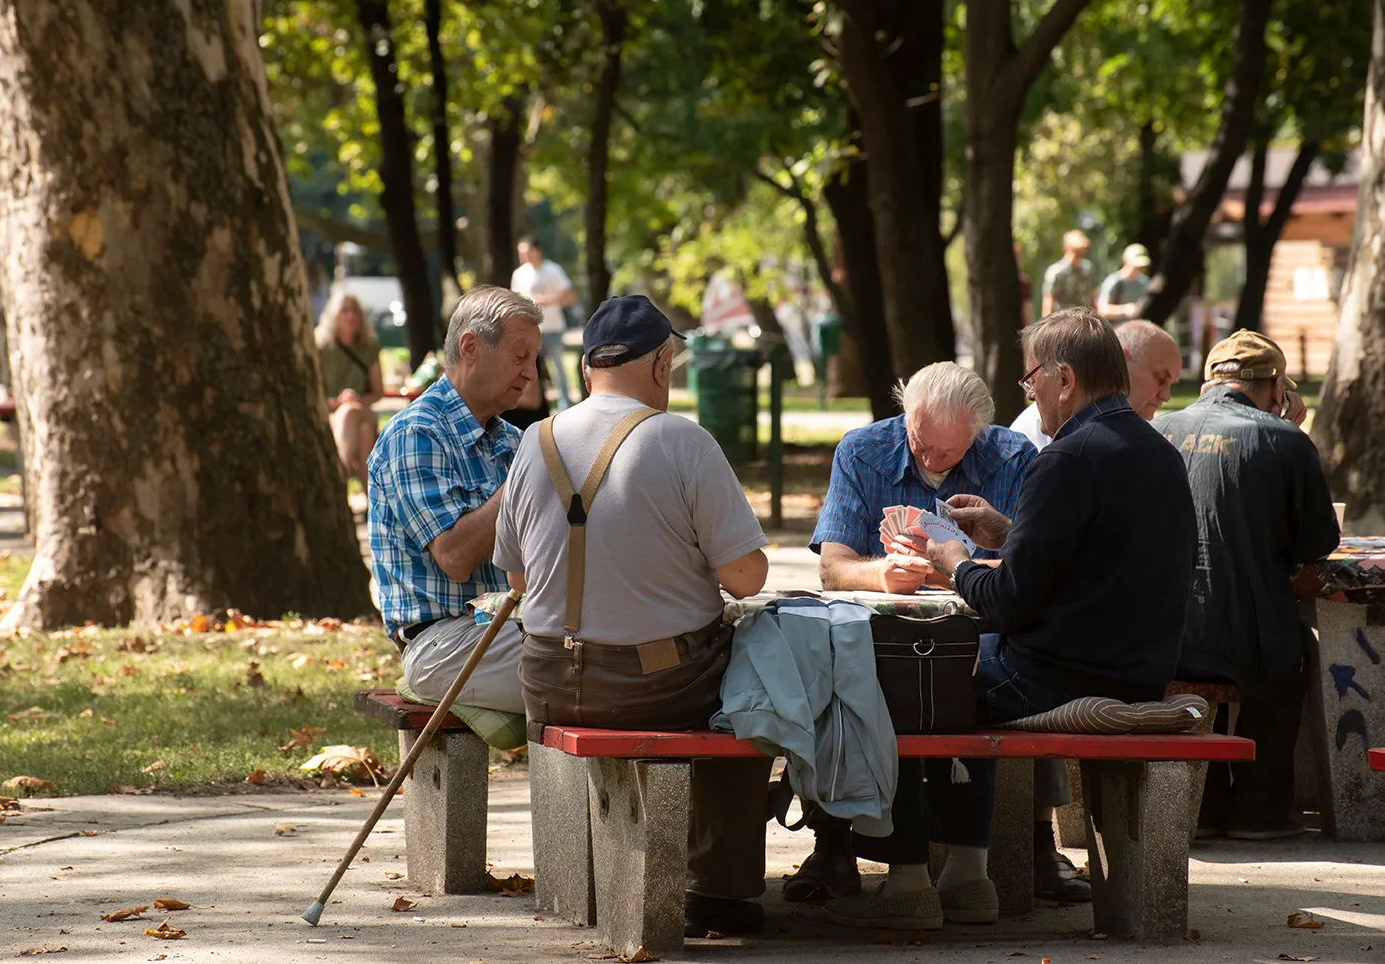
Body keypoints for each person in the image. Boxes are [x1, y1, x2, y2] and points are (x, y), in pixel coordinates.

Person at [493, 294, 772, 937]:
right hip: (659, 684)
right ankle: (720, 890)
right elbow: (748, 577)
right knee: (757, 687)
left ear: (589, 367)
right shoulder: (681, 439)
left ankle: (577, 877)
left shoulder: (534, 442)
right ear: (661, 362)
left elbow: (516, 578)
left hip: (549, 682)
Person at [915, 309, 1197, 928]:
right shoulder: (1157, 453)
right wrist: (1006, 531)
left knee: (912, 682)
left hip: (1057, 678)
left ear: (1063, 378)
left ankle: (926, 875)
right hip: (1140, 672)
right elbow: (1097, 563)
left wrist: (956, 561)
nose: (1030, 391)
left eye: (1031, 379)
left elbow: (1007, 602)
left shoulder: (1066, 458)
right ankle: (963, 865)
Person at [803, 362, 1040, 927]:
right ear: (904, 414)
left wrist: (960, 569)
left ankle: (964, 871)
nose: (933, 461)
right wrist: (882, 575)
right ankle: (910, 873)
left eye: (951, 453)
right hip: (883, 634)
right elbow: (834, 570)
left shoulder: (1013, 456)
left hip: (978, 635)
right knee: (893, 679)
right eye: (922, 444)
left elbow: (1031, 572)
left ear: (978, 435)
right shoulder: (863, 450)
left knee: (962, 678)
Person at [1153, 330, 1339, 839]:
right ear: (1278, 387)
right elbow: (1317, 542)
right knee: (1289, 662)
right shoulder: (1284, 439)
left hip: (1160, 637)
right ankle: (1258, 812)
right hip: (1250, 639)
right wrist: (1289, 437)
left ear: (1211, 380)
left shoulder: (1159, 428)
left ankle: (1205, 810)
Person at [367, 285, 543, 716]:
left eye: (534, 360)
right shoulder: (417, 434)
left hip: (505, 629)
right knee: (588, 671)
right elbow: (454, 555)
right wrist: (528, 475)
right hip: (440, 643)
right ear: (470, 347)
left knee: (603, 649)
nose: (531, 374)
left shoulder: (512, 440)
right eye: (520, 357)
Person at [1010, 320, 1182, 449]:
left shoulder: (1153, 443)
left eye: (1172, 384)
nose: (1166, 396)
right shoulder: (1045, 423)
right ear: (1121, 360)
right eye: (1160, 378)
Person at [315, 290, 384, 489]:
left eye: (354, 311)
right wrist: (337, 402)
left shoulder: (368, 347)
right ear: (334, 315)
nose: (350, 316)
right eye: (344, 311)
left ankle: (340, 474)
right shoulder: (320, 347)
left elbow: (378, 392)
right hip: (331, 413)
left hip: (362, 409)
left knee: (350, 412)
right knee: (363, 433)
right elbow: (314, 391)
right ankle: (371, 501)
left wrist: (355, 400)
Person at [511, 236, 577, 409]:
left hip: (553, 327)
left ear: (536, 250)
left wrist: (546, 300)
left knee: (559, 371)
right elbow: (515, 301)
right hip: (531, 331)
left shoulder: (553, 270)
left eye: (525, 252)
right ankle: (540, 407)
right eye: (520, 253)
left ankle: (565, 407)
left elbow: (569, 296)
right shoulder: (519, 274)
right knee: (532, 373)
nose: (523, 256)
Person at [1040, 230, 1098, 317]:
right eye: (1076, 251)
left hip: (1083, 319)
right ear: (1066, 248)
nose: (1079, 256)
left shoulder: (1087, 269)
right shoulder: (1056, 272)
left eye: (1081, 252)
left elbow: (1092, 299)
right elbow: (1048, 304)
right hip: (1062, 321)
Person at [1095, 243, 1153, 322]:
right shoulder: (1114, 281)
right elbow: (1102, 310)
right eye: (1136, 265)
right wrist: (1124, 310)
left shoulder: (1145, 283)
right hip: (1115, 330)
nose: (1139, 269)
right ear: (1125, 261)